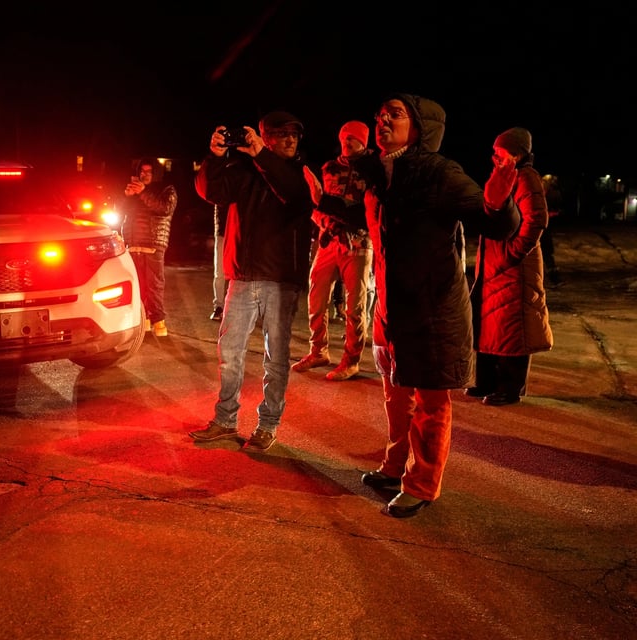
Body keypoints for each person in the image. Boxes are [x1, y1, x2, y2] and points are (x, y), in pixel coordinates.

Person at [355, 94, 519, 518]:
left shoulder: (439, 172)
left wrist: (499, 203)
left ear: (420, 126)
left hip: (431, 308)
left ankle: (422, 484)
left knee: (430, 402)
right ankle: (394, 466)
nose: (383, 120)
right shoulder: (378, 173)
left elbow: (494, 223)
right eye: (380, 114)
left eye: (395, 114)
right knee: (395, 396)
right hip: (389, 305)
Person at [189, 111, 314, 451]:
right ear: (265, 136)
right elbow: (210, 190)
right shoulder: (244, 169)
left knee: (276, 358)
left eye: (294, 134)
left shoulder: (299, 171)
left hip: (281, 278)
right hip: (242, 275)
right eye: (282, 134)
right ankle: (225, 420)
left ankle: (268, 424)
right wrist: (214, 157)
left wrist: (262, 156)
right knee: (229, 353)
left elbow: (294, 195)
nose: (290, 140)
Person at [467, 127, 554, 406]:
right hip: (495, 264)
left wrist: (513, 253)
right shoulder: (504, 175)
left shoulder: (526, 177)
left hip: (515, 268)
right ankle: (487, 382)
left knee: (513, 326)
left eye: (499, 151)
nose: (494, 156)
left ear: (516, 154)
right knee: (490, 324)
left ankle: (509, 388)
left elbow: (536, 219)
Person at [292, 120, 375, 381]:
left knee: (355, 306)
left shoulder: (372, 169)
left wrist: (339, 216)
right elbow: (316, 204)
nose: (347, 142)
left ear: (363, 141)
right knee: (316, 297)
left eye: (353, 138)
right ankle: (318, 350)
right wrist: (324, 222)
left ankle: (351, 361)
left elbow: (368, 213)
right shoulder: (329, 168)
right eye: (344, 137)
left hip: (358, 244)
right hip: (329, 242)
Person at [122, 158, 177, 337]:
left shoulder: (167, 190)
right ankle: (144, 318)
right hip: (133, 243)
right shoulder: (135, 190)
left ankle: (159, 321)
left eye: (149, 171)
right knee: (139, 284)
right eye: (142, 171)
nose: (144, 175)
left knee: (154, 284)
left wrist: (143, 192)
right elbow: (122, 213)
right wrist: (127, 196)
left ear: (156, 173)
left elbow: (164, 209)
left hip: (153, 243)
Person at [210, 204, 227, 321]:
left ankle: (222, 306)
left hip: (240, 231)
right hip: (222, 231)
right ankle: (219, 307)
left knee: (239, 274)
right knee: (219, 272)